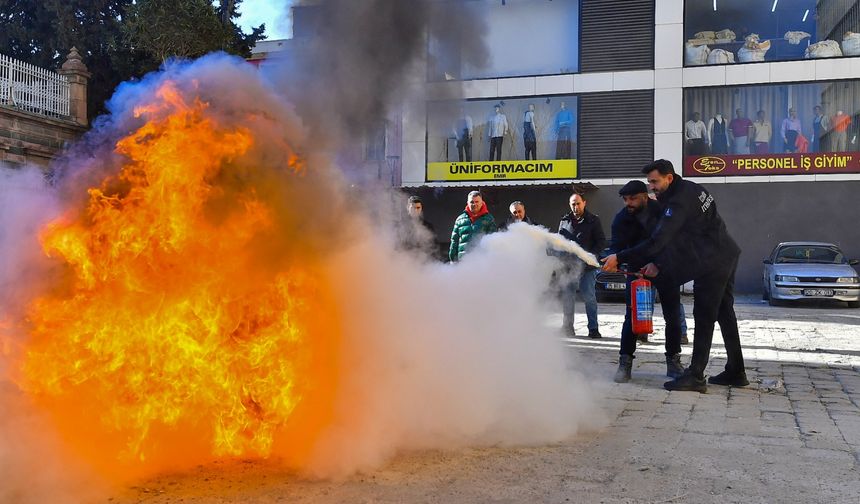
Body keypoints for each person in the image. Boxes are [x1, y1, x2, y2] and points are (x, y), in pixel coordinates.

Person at [602, 160, 747, 393]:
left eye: (655, 181)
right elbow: (681, 238)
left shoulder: (678, 202)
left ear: (669, 177)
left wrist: (620, 257)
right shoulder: (690, 188)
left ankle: (696, 375)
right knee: (724, 313)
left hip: (712, 261)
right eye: (649, 182)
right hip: (724, 252)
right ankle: (736, 370)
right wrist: (658, 264)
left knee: (704, 314)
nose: (652, 187)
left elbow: (660, 240)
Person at [607, 181, 688, 383]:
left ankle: (673, 361)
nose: (628, 203)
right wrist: (615, 261)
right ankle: (625, 363)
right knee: (631, 315)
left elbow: (673, 241)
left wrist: (657, 264)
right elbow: (616, 248)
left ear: (645, 196)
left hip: (665, 268)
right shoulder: (621, 219)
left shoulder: (662, 212)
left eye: (633, 198)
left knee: (673, 314)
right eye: (625, 199)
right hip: (636, 272)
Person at [558, 193, 606, 339]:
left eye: (578, 203)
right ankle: (567, 328)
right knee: (568, 298)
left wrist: (590, 256)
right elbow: (559, 241)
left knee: (589, 297)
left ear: (584, 203)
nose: (575, 206)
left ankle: (593, 329)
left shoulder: (593, 220)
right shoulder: (564, 221)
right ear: (569, 204)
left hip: (588, 268)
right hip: (569, 267)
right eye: (573, 203)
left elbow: (601, 242)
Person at [449, 190, 497, 262]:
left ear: (482, 203)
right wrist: (453, 259)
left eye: (477, 202)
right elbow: (454, 241)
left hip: (481, 261)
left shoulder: (489, 219)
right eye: (472, 202)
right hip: (463, 261)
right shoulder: (460, 219)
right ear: (467, 203)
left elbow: (493, 243)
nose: (474, 204)